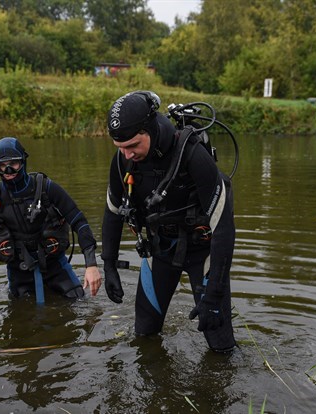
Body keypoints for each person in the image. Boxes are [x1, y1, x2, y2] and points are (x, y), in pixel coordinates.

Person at [101, 91, 237, 353]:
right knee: (144, 336)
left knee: (221, 346)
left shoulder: (193, 155)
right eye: (121, 148)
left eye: (133, 145)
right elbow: (113, 212)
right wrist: (109, 266)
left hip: (203, 254)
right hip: (160, 251)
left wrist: (215, 294)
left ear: (149, 128)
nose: (127, 154)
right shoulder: (122, 161)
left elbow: (224, 227)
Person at [0, 136, 102, 309]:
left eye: (13, 163)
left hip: (56, 267)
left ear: (23, 161)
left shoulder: (47, 189)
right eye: (2, 165)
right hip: (19, 272)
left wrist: (91, 265)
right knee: (23, 315)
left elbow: (79, 221)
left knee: (80, 304)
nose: (8, 170)